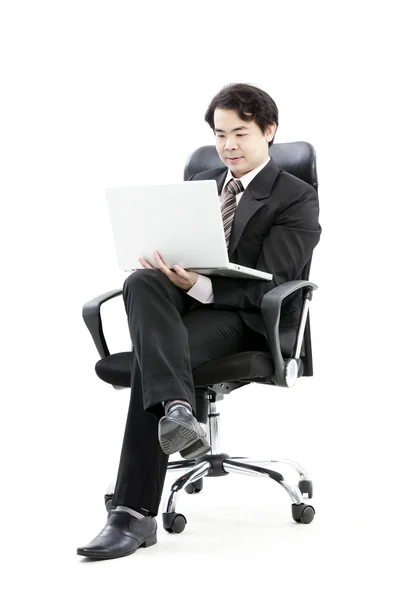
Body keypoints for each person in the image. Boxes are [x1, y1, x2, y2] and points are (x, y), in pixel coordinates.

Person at [77, 83, 322, 560]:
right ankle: (178, 412)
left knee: (154, 359)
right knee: (141, 282)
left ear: (268, 132)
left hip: (245, 320)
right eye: (220, 134)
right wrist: (163, 268)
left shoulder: (295, 198)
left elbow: (275, 279)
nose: (228, 145)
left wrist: (199, 287)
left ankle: (131, 514)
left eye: (240, 133)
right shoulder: (201, 185)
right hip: (179, 314)